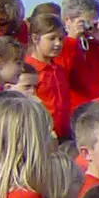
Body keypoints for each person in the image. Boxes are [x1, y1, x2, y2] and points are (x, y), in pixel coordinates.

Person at [59, 0, 99, 107]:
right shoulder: (60, 45)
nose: (88, 27)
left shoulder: (94, 46)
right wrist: (72, 38)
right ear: (68, 20)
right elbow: (62, 72)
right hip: (76, 110)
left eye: (93, 22)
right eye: (84, 22)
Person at [24, 11, 72, 139]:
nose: (58, 44)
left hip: (62, 136)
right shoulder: (26, 70)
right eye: (52, 38)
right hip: (38, 135)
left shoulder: (59, 70)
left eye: (61, 39)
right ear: (35, 38)